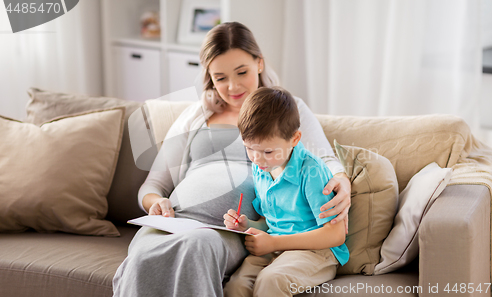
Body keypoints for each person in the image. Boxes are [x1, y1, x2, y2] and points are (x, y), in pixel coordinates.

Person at [112, 22, 351, 297]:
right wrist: (156, 203)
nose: (233, 86)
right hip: (174, 221)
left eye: (242, 72)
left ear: (259, 64)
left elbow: (325, 159)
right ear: (209, 77)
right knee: (143, 254)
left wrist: (342, 181)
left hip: (226, 230)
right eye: (220, 77)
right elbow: (152, 185)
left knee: (196, 246)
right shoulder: (195, 115)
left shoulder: (286, 110)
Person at [222, 87, 349, 297]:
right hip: (274, 246)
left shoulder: (312, 171)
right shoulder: (262, 168)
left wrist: (273, 242)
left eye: (268, 151)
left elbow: (335, 234)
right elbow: (273, 221)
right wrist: (247, 225)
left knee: (271, 281)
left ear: (295, 139)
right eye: (249, 148)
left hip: (316, 252)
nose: (256, 158)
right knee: (235, 288)